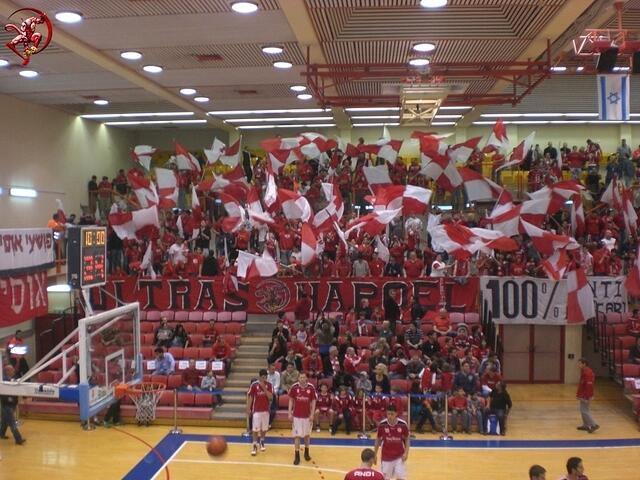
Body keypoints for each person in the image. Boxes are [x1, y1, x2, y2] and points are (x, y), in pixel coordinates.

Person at [374, 404, 409, 480]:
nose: (390, 416)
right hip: (386, 457)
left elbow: (407, 439)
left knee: (401, 477)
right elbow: (378, 439)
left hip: (399, 457)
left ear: (396, 414)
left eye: (392, 414)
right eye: (388, 414)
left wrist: (406, 453)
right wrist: (375, 454)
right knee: (385, 478)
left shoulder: (402, 424)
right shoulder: (382, 424)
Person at [288, 372, 317, 465]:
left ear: (306, 378)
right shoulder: (294, 387)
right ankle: (297, 456)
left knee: (307, 435)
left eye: (304, 377)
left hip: (307, 416)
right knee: (297, 436)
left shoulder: (311, 388)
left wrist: (312, 414)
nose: (302, 379)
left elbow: (313, 401)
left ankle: (306, 452)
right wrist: (289, 413)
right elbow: (291, 400)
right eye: (300, 377)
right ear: (298, 378)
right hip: (296, 416)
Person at [247, 369, 273, 456]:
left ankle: (262, 441)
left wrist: (264, 388)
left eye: (265, 377)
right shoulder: (254, 385)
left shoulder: (269, 385)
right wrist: (248, 408)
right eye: (262, 377)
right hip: (256, 410)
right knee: (255, 429)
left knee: (264, 428)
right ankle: (254, 445)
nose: (264, 379)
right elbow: (250, 397)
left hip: (266, 410)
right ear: (259, 377)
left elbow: (270, 398)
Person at [0, 365, 26, 445]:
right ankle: (18, 440)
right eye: (12, 370)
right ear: (7, 371)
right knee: (12, 423)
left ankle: (1, 434)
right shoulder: (4, 380)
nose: (13, 371)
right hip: (6, 404)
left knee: (4, 421)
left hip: (11, 404)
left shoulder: (12, 379)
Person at [576, 358, 598, 433]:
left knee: (584, 411)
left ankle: (593, 424)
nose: (578, 365)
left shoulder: (587, 372)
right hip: (583, 394)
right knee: (583, 410)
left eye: (579, 363)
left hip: (585, 395)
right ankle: (586, 425)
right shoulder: (584, 371)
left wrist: (588, 396)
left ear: (584, 364)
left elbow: (589, 385)